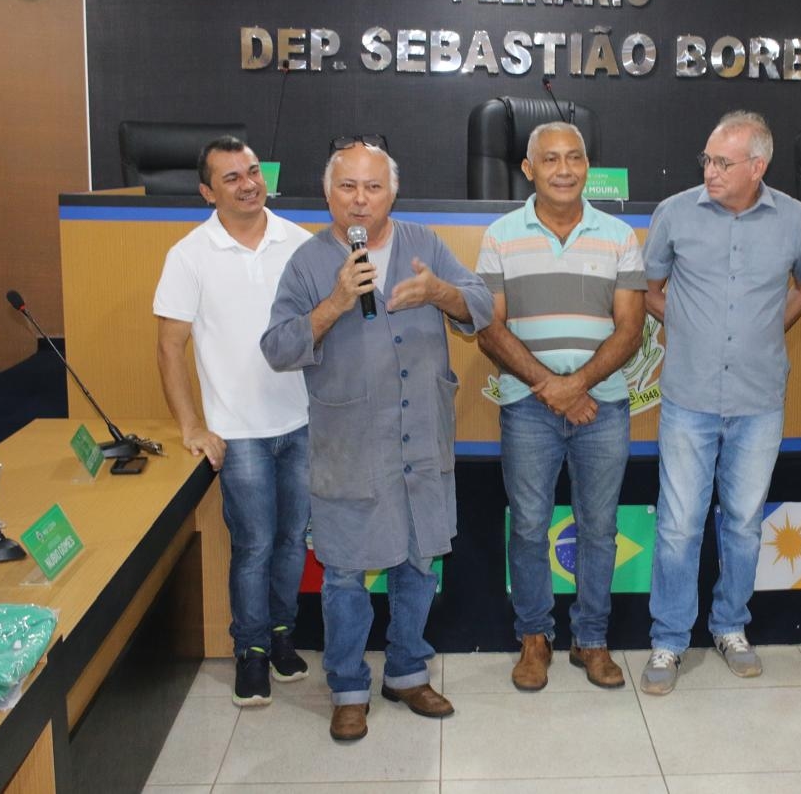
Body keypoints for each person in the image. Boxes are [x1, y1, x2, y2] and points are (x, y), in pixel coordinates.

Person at [260, 141, 493, 741]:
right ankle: (347, 686)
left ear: (393, 192)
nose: (360, 200)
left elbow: (482, 306)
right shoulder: (308, 262)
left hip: (422, 441)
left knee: (419, 563)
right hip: (350, 445)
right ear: (328, 194)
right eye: (348, 187)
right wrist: (336, 303)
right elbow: (278, 347)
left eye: (373, 187)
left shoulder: (424, 244)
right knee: (344, 574)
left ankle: (408, 671)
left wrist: (438, 293)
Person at [640, 110, 801, 695]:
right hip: (688, 397)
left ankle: (730, 627)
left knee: (744, 522)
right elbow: (648, 288)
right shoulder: (674, 213)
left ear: (757, 166)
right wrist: (690, 329)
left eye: (723, 162)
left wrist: (771, 328)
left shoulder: (794, 219)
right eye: (708, 159)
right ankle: (669, 639)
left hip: (758, 399)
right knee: (678, 525)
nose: (710, 171)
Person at [476, 122, 646, 692]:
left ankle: (591, 639)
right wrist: (550, 386)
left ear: (588, 166)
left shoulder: (619, 235)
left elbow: (631, 329)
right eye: (550, 159)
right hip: (528, 407)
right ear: (529, 169)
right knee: (528, 526)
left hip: (603, 407)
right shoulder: (500, 235)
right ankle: (534, 637)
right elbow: (489, 329)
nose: (564, 169)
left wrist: (577, 386)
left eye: (574, 157)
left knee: (599, 529)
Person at [154, 136, 312, 708]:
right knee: (254, 545)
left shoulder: (299, 242)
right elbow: (169, 347)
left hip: (301, 422)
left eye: (252, 172)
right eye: (232, 178)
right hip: (238, 432)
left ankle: (282, 635)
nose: (248, 185)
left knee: (293, 540)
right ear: (207, 192)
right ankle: (251, 651)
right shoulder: (189, 255)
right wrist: (191, 425)